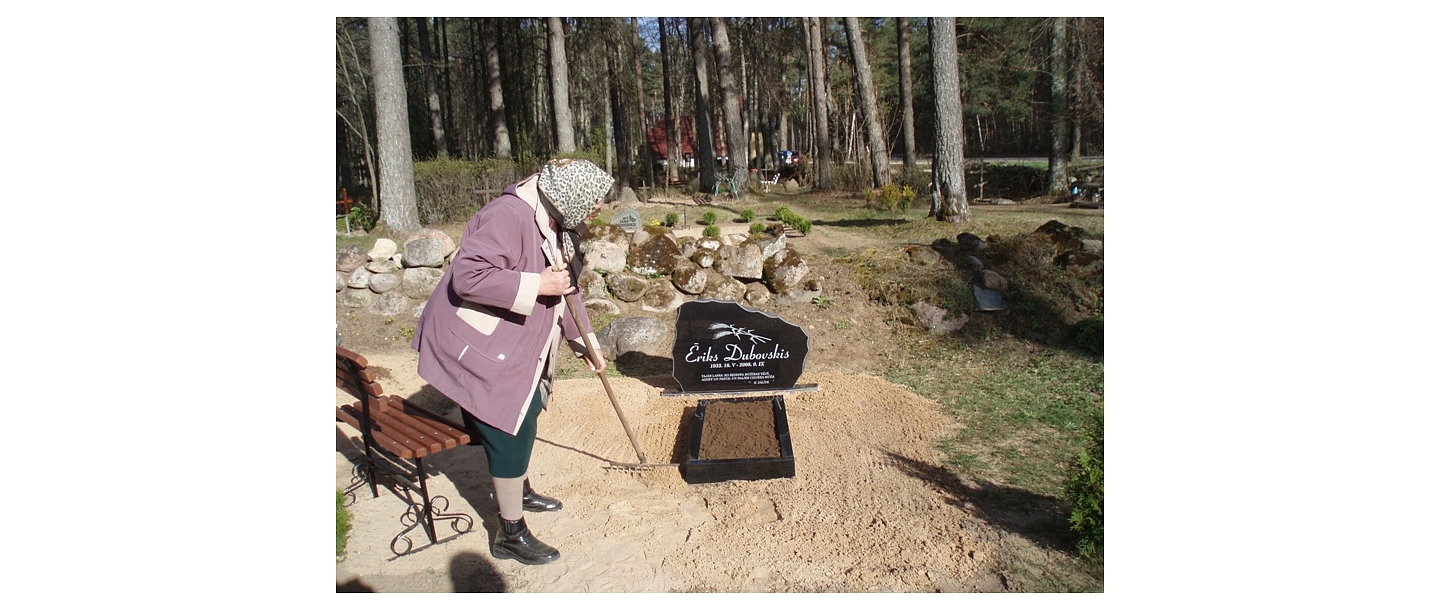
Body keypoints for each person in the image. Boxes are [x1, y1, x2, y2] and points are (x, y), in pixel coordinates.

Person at [411, 158, 612, 565]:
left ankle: (515, 484)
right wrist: (539, 283)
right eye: (594, 203)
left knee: (530, 405)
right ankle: (510, 532)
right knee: (511, 423)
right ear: (571, 197)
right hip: (470, 338)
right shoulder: (508, 215)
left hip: (507, 337)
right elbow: (467, 276)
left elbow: (567, 289)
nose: (598, 211)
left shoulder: (560, 224)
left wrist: (586, 343)